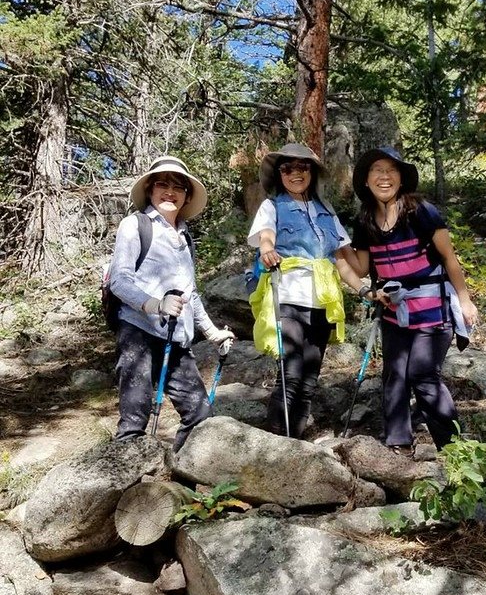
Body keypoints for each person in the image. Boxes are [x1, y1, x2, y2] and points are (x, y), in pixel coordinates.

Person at [348, 146, 478, 454]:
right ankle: (399, 444)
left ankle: (454, 450)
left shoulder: (420, 211)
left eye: (391, 170)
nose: (384, 176)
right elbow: (362, 268)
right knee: (394, 375)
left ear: (401, 178)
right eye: (377, 170)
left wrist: (465, 300)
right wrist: (337, 249)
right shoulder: (365, 219)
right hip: (394, 313)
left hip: (433, 313)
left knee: (422, 374)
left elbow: (449, 257)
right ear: (366, 180)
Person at [110, 155, 234, 452]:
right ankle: (128, 490)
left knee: (199, 415)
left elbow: (190, 294)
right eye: (162, 184)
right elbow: (119, 281)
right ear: (151, 190)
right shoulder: (135, 225)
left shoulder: (185, 237)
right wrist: (155, 304)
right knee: (134, 419)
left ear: (186, 196)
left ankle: (181, 486)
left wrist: (212, 333)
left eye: (178, 187)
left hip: (176, 339)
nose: (170, 191)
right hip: (137, 332)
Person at [247, 143, 366, 439]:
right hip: (287, 298)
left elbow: (342, 260)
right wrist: (267, 250)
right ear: (279, 174)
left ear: (312, 172)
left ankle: (296, 447)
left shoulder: (327, 212)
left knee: (309, 382)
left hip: (322, 304)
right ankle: (277, 448)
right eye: (287, 168)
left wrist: (365, 290)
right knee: (290, 377)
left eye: (303, 167)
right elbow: (266, 236)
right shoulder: (272, 206)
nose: (295, 173)